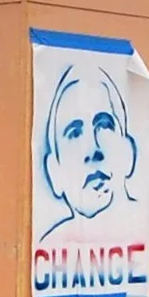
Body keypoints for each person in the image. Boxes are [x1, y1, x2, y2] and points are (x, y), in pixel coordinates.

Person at [38, 61, 140, 243]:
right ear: (53, 171)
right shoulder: (49, 246)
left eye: (104, 125)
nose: (93, 151)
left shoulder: (144, 234)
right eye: (74, 133)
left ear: (129, 152)